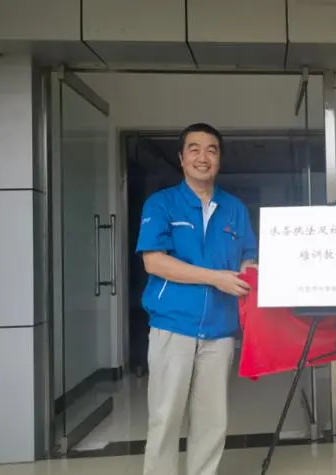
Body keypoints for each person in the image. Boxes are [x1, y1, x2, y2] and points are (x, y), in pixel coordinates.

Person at [136, 123, 257, 475]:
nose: (203, 157)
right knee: (165, 419)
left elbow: (248, 256)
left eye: (211, 150)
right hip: (173, 326)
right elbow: (154, 261)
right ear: (181, 158)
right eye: (194, 149)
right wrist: (215, 277)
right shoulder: (162, 203)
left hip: (220, 329)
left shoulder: (234, 208)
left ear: (219, 159)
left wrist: (249, 270)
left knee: (212, 422)